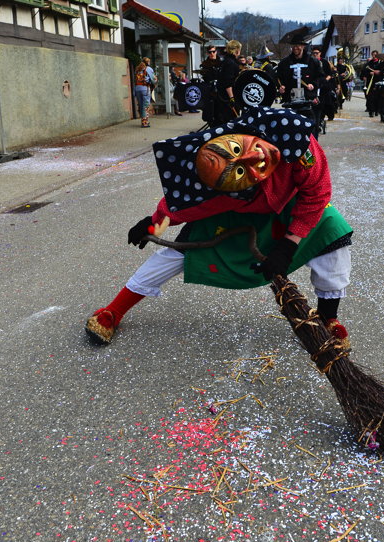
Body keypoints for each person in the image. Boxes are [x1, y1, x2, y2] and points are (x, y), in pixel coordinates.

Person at [84, 107, 353, 348]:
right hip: (237, 213)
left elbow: (317, 192)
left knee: (333, 233)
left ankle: (328, 318)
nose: (253, 163)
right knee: (177, 254)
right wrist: (153, 224)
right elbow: (180, 207)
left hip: (289, 205)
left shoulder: (295, 140)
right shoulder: (216, 191)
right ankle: (113, 311)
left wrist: (289, 243)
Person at [277, 30, 324, 137]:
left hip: (308, 101)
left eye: (298, 45)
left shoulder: (313, 62)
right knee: (291, 130)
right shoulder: (284, 63)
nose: (295, 48)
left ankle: (311, 151)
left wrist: (314, 84)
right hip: (290, 101)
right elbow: (278, 78)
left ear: (303, 46)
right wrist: (281, 86)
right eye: (293, 46)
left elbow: (321, 77)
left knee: (311, 129)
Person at [215, 40, 242, 124]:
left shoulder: (227, 60)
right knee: (230, 119)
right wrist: (232, 98)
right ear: (237, 50)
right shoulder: (230, 63)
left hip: (224, 94)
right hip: (227, 96)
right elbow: (228, 82)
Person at [311, 46, 337, 123]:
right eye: (314, 53)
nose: (315, 54)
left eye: (317, 53)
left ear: (320, 53)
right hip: (316, 84)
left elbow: (329, 74)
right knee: (318, 101)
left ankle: (330, 115)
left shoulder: (324, 62)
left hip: (325, 84)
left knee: (328, 101)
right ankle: (320, 117)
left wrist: (325, 80)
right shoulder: (311, 62)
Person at [134, 57, 156, 128]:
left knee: (141, 105)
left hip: (137, 88)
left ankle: (142, 120)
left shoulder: (137, 69)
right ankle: (144, 123)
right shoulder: (148, 69)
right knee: (145, 106)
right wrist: (155, 81)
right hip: (145, 89)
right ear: (148, 63)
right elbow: (153, 80)